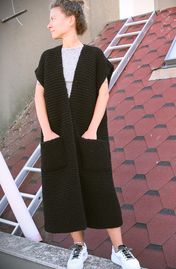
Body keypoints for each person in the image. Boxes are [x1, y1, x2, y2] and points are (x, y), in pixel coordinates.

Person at [34, 1, 141, 269]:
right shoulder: (47, 58)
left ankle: (119, 249)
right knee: (67, 188)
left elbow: (103, 93)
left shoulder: (94, 56)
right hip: (57, 136)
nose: (49, 24)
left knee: (101, 189)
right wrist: (47, 132)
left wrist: (93, 129)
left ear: (70, 19)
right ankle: (79, 247)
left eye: (53, 18)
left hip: (89, 134)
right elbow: (39, 95)